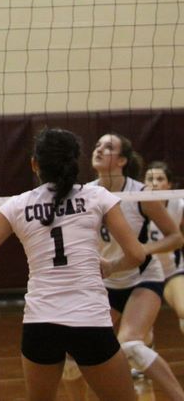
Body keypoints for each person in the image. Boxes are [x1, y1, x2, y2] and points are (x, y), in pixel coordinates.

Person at [0, 127, 144, 401]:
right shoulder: (98, 197)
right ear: (74, 162)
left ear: (34, 164)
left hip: (40, 324)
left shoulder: (15, 206)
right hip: (88, 320)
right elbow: (136, 254)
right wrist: (110, 266)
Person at [82, 133, 184, 400]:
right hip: (106, 283)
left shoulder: (140, 194)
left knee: (130, 344)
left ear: (122, 160)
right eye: (97, 145)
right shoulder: (84, 194)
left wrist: (142, 250)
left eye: (108, 147)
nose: (99, 149)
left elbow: (176, 237)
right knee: (87, 353)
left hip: (142, 279)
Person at [144, 161, 184, 337]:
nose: (154, 183)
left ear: (169, 185)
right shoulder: (133, 205)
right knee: (142, 331)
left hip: (171, 271)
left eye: (160, 179)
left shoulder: (178, 205)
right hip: (142, 275)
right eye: (149, 179)